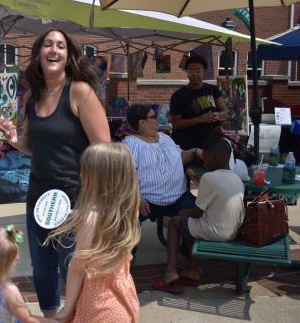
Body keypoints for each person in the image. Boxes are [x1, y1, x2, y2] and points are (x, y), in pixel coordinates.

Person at [3, 29, 110, 317]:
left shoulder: (79, 91)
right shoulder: (33, 97)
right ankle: (50, 317)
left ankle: (76, 317)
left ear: (68, 56)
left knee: (73, 266)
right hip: (39, 196)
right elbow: (31, 146)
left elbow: (104, 147)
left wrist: (97, 200)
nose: (54, 50)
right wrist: (14, 141)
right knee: (42, 267)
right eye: (48, 45)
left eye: (60, 46)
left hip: (76, 197)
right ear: (39, 54)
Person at [45, 142, 140, 323]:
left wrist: (66, 311)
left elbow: (77, 269)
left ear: (99, 177)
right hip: (123, 300)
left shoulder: (91, 217)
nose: (81, 174)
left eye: (85, 170)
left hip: (98, 306)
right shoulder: (127, 210)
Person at [153, 137, 245, 294]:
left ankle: (171, 272)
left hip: (217, 232)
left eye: (206, 158)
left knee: (176, 222)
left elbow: (196, 213)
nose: (204, 163)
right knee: (189, 223)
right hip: (234, 231)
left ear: (215, 157)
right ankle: (193, 269)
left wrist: (183, 213)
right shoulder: (236, 178)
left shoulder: (210, 177)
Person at [124, 104, 201, 223]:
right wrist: (137, 196)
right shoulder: (131, 142)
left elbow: (179, 156)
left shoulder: (164, 137)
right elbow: (127, 172)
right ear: (142, 123)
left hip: (178, 196)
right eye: (153, 116)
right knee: (125, 222)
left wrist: (195, 151)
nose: (157, 119)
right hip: (148, 199)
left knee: (199, 214)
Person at [170, 54, 228, 150]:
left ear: (204, 71)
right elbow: (176, 124)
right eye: (190, 71)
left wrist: (217, 115)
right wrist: (200, 119)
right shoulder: (178, 95)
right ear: (186, 72)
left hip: (209, 142)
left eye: (198, 71)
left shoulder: (213, 89)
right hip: (186, 145)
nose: (194, 74)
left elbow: (225, 112)